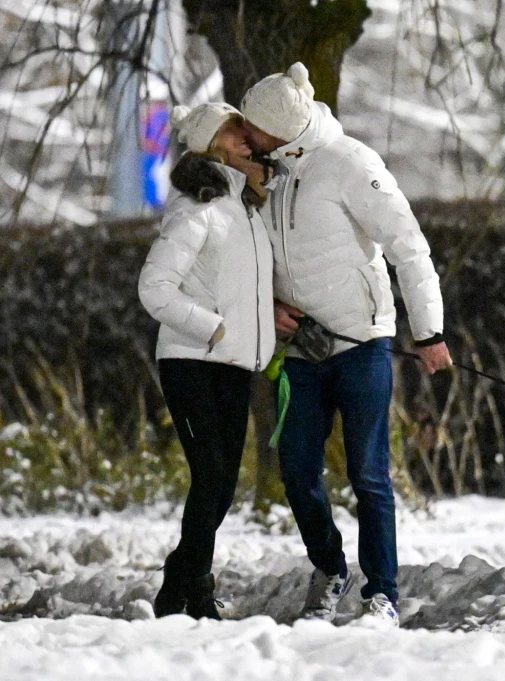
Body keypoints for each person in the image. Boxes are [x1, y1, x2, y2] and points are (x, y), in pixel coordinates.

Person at [240, 62, 452, 627]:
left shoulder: (350, 164)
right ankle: (331, 570)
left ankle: (382, 594)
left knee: (369, 474)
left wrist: (428, 332)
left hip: (363, 344)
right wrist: (269, 309)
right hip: (303, 351)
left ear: (279, 128)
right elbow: (250, 261)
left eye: (253, 126)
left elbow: (408, 244)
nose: (244, 133)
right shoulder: (264, 174)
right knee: (297, 468)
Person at [139, 103, 276, 619]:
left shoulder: (245, 207)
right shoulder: (196, 208)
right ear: (210, 143)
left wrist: (272, 314)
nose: (247, 138)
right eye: (234, 130)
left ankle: (184, 586)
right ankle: (186, 592)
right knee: (212, 475)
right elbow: (153, 288)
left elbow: (242, 284)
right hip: (191, 359)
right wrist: (212, 326)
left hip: (232, 362)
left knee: (219, 484)